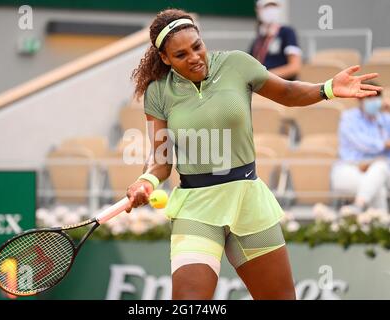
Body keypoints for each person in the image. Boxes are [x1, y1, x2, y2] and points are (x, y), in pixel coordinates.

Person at [126, 8, 381, 300]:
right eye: (181, 55)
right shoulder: (158, 92)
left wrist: (328, 89)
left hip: (249, 201)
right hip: (196, 207)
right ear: (165, 59)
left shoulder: (236, 63)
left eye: (197, 46)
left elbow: (286, 92)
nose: (194, 57)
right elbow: (161, 158)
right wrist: (146, 180)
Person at [332, 83, 390, 213]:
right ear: (359, 99)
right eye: (369, 97)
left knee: (380, 168)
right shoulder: (348, 118)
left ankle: (358, 207)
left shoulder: (385, 118)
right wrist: (384, 144)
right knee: (378, 188)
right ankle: (380, 228)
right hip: (349, 169)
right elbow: (364, 144)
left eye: (376, 98)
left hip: (381, 171)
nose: (374, 102)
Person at [249, 0, 302, 80]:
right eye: (266, 7)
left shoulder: (287, 33)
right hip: (264, 86)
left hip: (283, 85)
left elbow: (294, 67)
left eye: (274, 7)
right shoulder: (259, 38)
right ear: (258, 10)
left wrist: (266, 76)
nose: (271, 11)